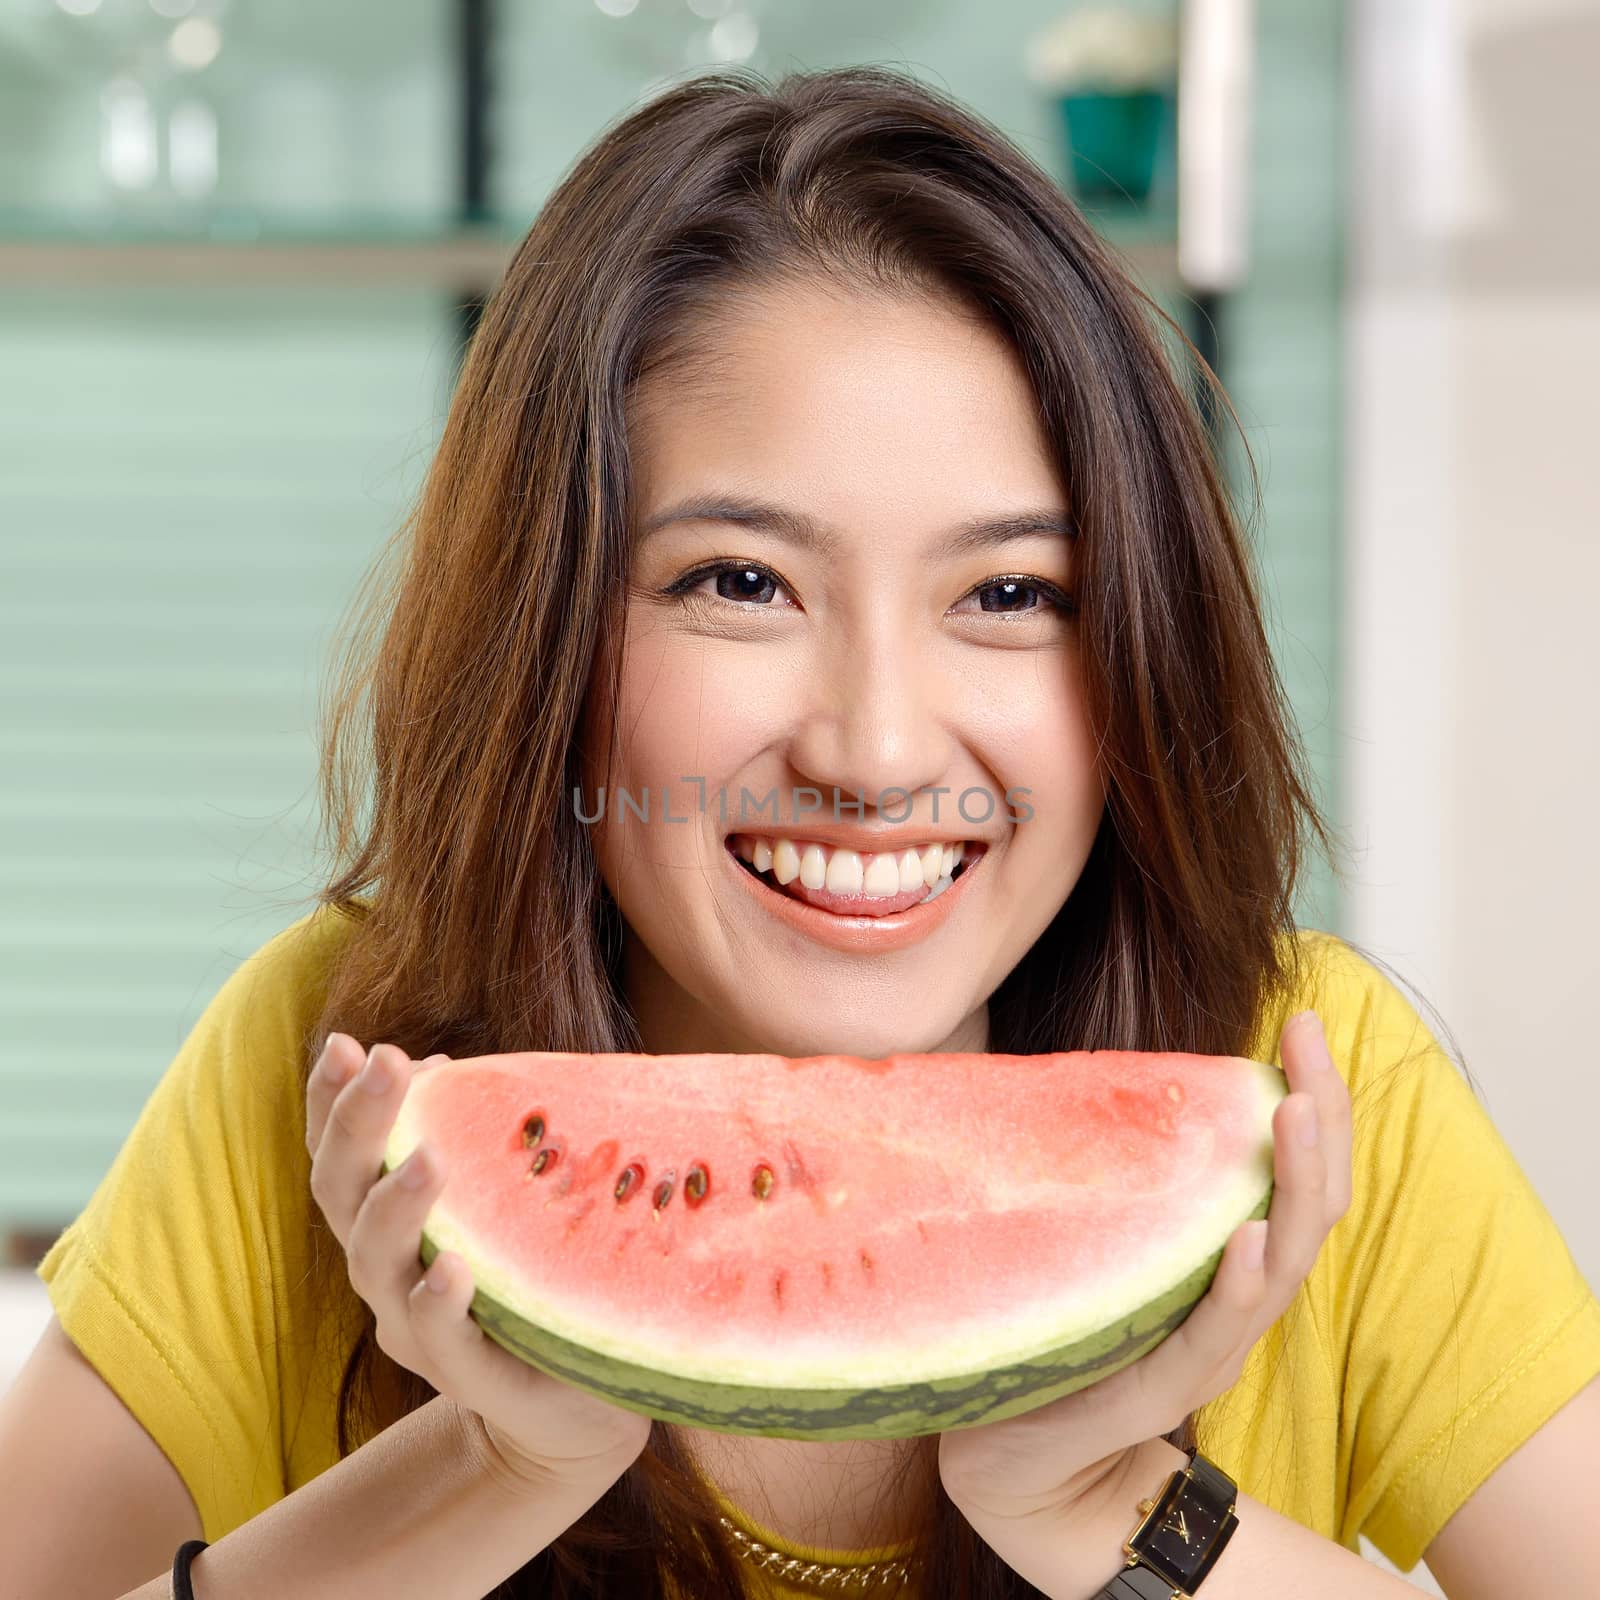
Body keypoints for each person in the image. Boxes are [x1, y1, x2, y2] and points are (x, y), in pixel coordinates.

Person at [2, 62, 1596, 1600]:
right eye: (741, 585)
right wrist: (481, 1475)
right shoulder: (336, 1070)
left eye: (1013, 595)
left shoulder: (1312, 1085)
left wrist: (1124, 1524)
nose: (879, 751)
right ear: (548, 639)